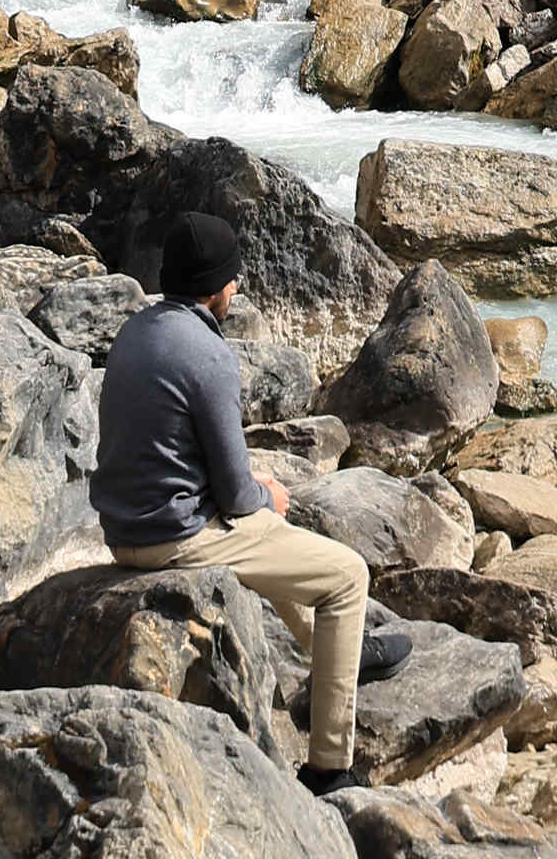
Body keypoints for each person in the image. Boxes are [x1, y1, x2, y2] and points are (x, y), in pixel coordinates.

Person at [93, 208, 407, 798]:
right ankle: (328, 769)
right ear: (217, 289)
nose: (237, 288)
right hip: (175, 540)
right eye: (234, 279)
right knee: (345, 573)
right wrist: (268, 493)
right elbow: (237, 498)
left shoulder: (136, 329)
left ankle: (333, 649)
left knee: (265, 521)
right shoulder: (209, 356)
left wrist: (253, 491)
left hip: (123, 529)